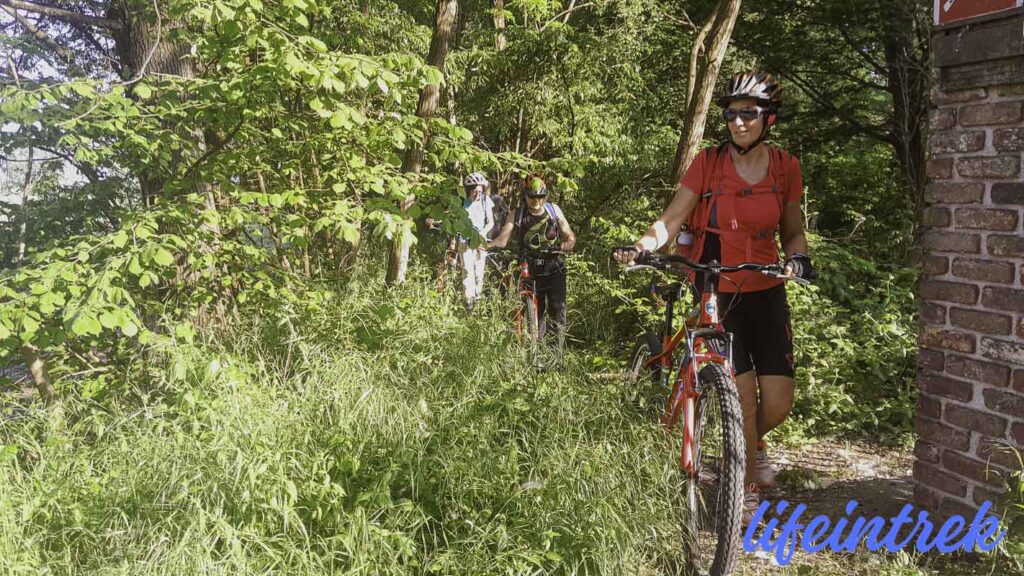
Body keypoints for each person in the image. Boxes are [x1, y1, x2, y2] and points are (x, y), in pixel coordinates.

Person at [614, 71, 815, 524]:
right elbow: (671, 218)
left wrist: (799, 258)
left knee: (779, 402)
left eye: (749, 113)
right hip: (716, 286)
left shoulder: (786, 168)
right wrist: (644, 246)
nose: (739, 121)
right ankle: (739, 486)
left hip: (766, 286)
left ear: (770, 118)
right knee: (740, 400)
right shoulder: (709, 163)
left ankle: (745, 443)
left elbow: (794, 232)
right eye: (731, 113)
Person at [489, 175, 576, 346]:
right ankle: (537, 355)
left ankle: (557, 355)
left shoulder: (553, 210)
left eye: (540, 197)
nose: (536, 201)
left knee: (558, 311)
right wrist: (487, 245)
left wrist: (569, 242)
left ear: (545, 196)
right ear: (526, 195)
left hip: (553, 265)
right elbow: (503, 238)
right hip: (529, 266)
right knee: (537, 314)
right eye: (532, 197)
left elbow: (569, 234)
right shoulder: (517, 214)